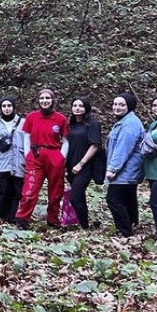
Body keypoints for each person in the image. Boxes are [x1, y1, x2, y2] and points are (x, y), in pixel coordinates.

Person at [14, 88, 69, 229]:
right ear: (38, 101)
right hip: (36, 154)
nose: (45, 101)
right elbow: (26, 136)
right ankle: (22, 218)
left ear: (53, 100)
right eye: (42, 98)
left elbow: (66, 140)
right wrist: (27, 154)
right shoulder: (32, 117)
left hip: (54, 155)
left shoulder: (61, 119)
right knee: (30, 189)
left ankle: (53, 219)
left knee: (56, 190)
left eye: (48, 98)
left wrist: (61, 156)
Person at [104, 93, 145, 237]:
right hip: (128, 170)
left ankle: (125, 231)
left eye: (121, 105)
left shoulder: (130, 124)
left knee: (113, 199)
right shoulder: (124, 121)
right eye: (115, 104)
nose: (117, 107)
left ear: (129, 106)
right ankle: (133, 225)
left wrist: (113, 168)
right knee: (128, 199)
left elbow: (123, 147)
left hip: (126, 171)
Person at [65, 97, 102, 229]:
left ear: (86, 108)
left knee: (74, 197)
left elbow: (95, 145)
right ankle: (84, 225)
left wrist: (81, 164)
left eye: (80, 105)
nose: (77, 108)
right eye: (74, 105)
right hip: (70, 166)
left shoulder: (92, 124)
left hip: (85, 166)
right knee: (80, 196)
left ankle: (85, 226)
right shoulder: (71, 125)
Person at [0, 96, 25, 223]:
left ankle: (13, 217)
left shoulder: (22, 122)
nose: (6, 109)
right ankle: (0, 216)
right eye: (4, 106)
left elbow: (27, 142)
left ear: (14, 107)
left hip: (19, 162)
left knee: (17, 191)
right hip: (2, 162)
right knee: (2, 191)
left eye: (9, 106)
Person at [145, 97, 157, 238]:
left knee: (154, 202)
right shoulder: (153, 124)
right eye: (154, 105)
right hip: (152, 169)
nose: (155, 108)